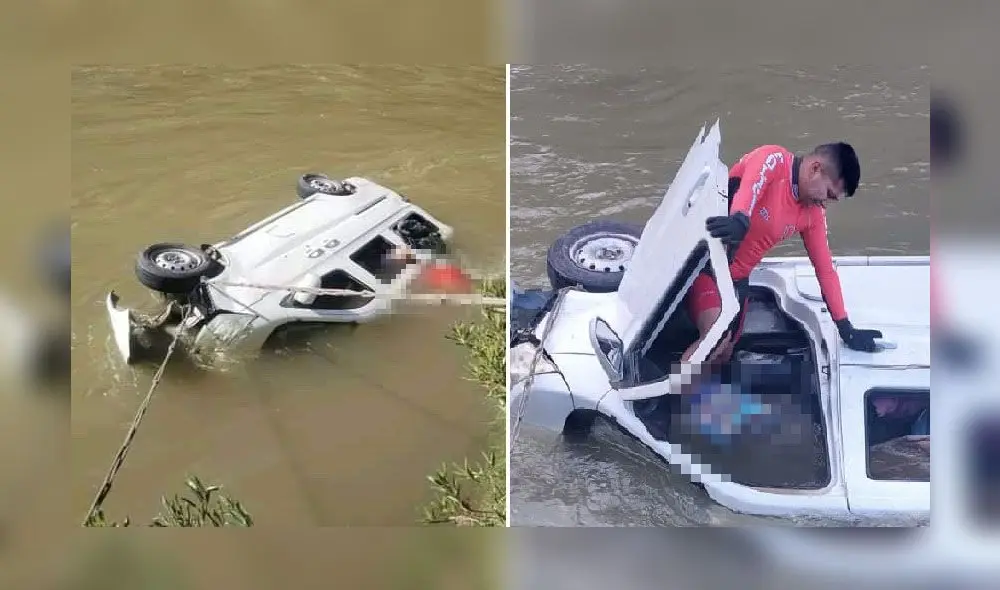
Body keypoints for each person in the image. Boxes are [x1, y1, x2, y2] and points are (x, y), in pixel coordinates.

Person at [681, 141, 883, 364]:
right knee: (715, 339)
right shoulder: (774, 160)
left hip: (738, 281)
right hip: (708, 268)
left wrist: (845, 327)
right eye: (828, 194)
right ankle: (676, 386)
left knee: (725, 353)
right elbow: (750, 187)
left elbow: (825, 271)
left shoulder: (813, 214)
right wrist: (739, 218)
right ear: (815, 169)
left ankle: (696, 387)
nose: (825, 203)